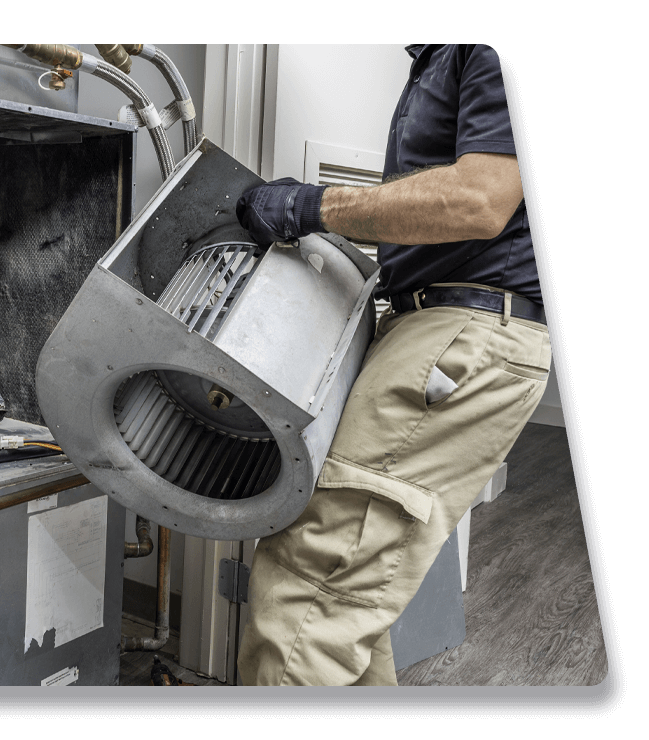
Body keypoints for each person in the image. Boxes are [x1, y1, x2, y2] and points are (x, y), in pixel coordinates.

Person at [234, 44, 551, 686]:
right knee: (343, 595)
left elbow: (479, 200)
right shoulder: (439, 57)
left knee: (306, 597)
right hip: (443, 326)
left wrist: (312, 206)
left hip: (461, 330)